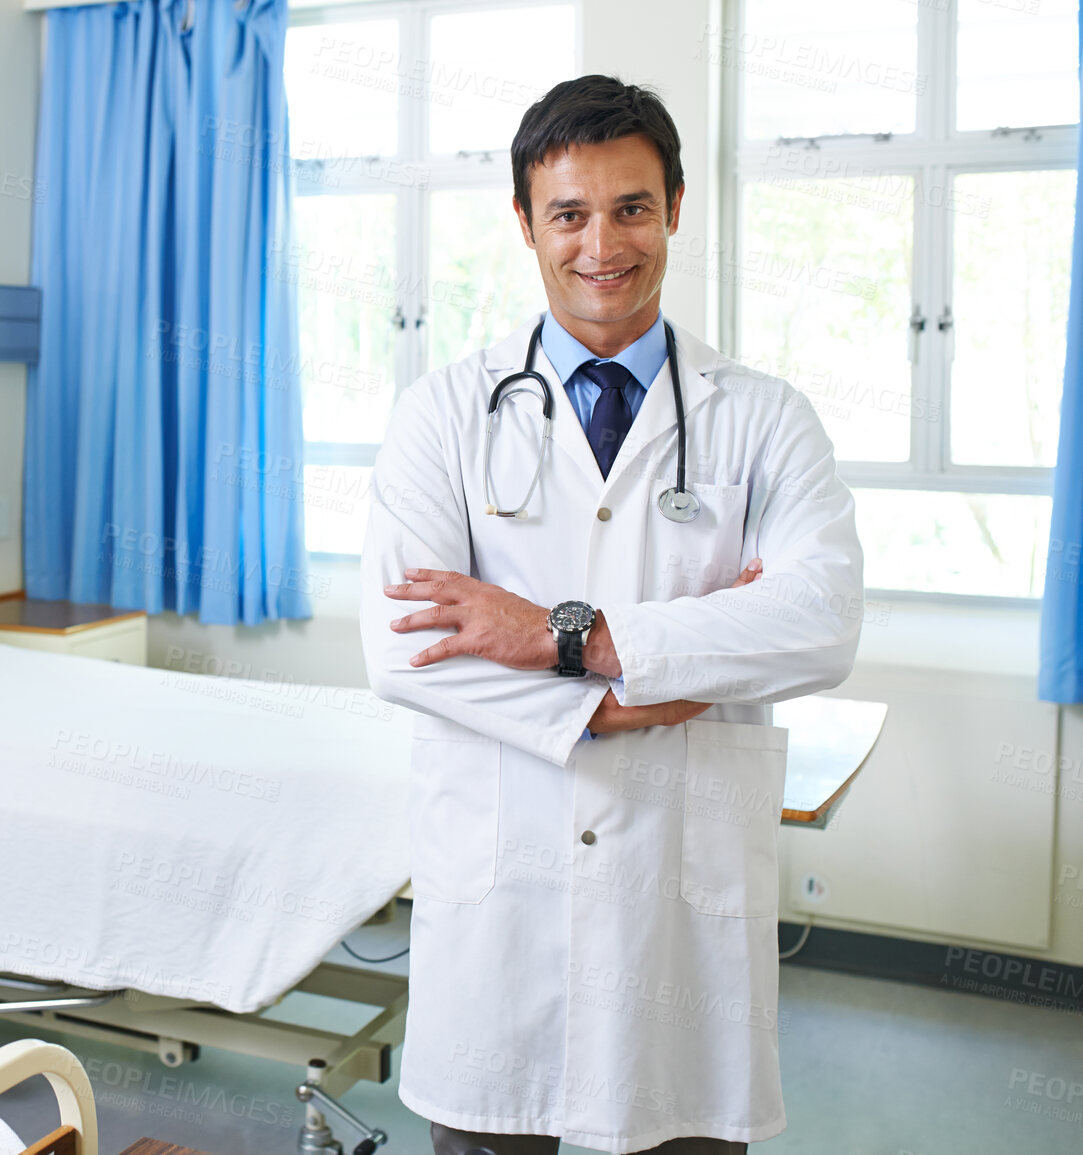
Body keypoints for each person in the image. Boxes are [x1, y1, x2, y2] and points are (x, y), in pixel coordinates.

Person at [359, 75, 865, 1154]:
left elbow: (820, 621)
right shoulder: (444, 413)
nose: (603, 244)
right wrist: (615, 702)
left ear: (676, 206)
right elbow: (405, 649)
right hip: (506, 911)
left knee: (683, 1127)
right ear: (525, 224)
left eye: (633, 207)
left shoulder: (764, 419)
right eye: (570, 214)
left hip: (681, 918)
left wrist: (556, 635)